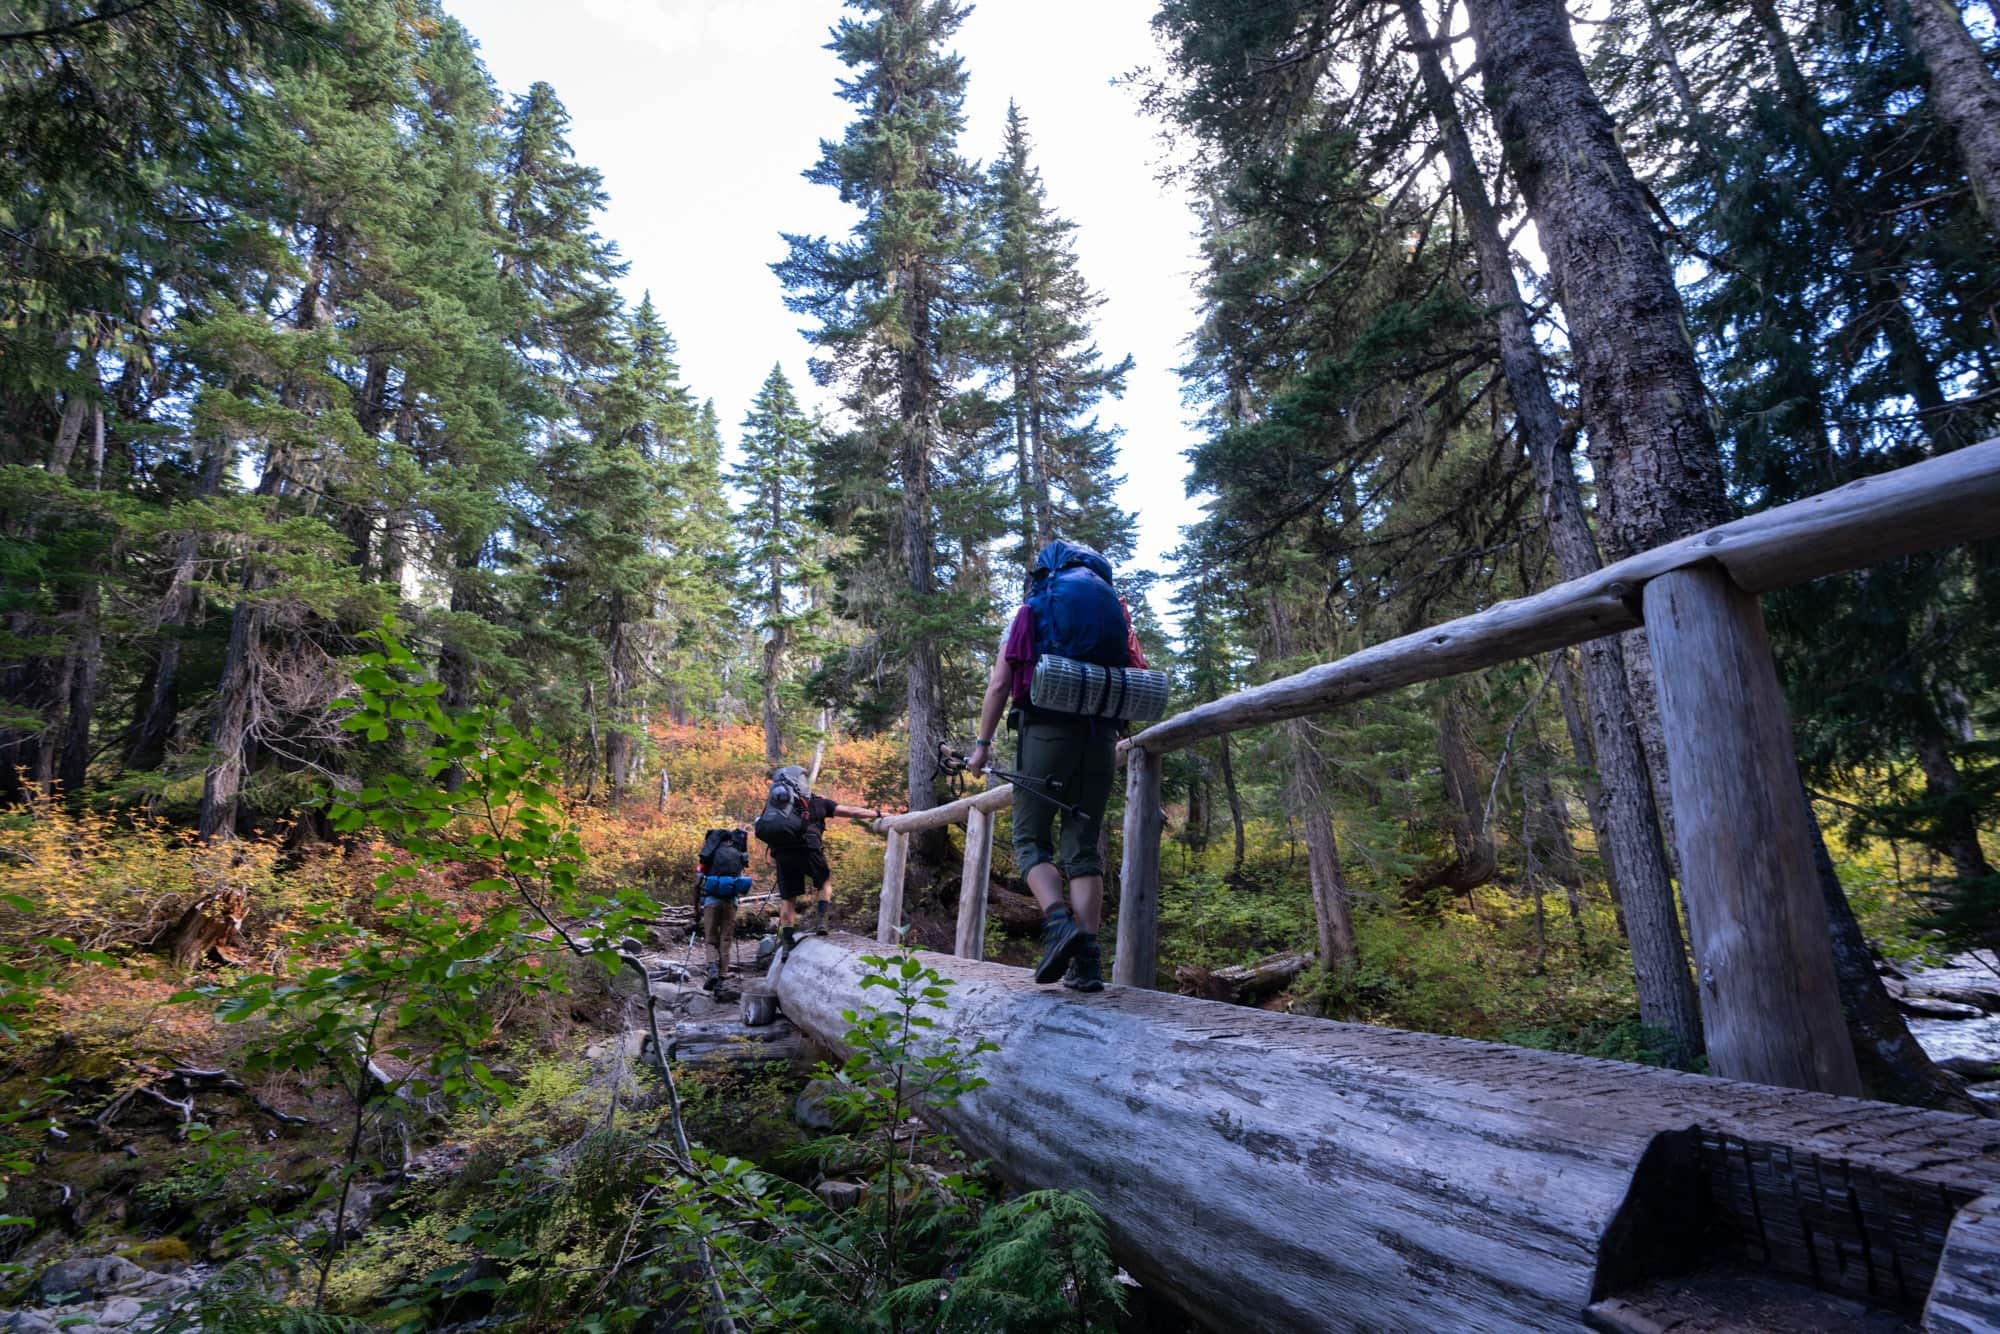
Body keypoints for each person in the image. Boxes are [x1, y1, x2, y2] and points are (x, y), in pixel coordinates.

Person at [967, 539, 1148, 992]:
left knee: (1030, 839)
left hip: (1046, 730)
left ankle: (1058, 922)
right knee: (1083, 848)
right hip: (1101, 734)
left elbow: (999, 684)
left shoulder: (1034, 608)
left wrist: (982, 745)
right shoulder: (1116, 612)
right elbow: (1136, 668)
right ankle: (1087, 964)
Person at [753, 765, 881, 946]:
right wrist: (878, 813)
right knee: (824, 882)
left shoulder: (778, 806)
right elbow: (852, 812)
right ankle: (821, 922)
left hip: (782, 853)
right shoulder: (819, 803)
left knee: (788, 899)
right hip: (808, 849)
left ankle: (787, 942)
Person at [694, 826, 754, 989]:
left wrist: (696, 908)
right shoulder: (738, 855)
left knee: (710, 939)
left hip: (711, 902)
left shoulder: (709, 855)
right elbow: (739, 881)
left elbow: (697, 883)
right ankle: (721, 979)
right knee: (725, 940)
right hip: (731, 903)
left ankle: (712, 968)